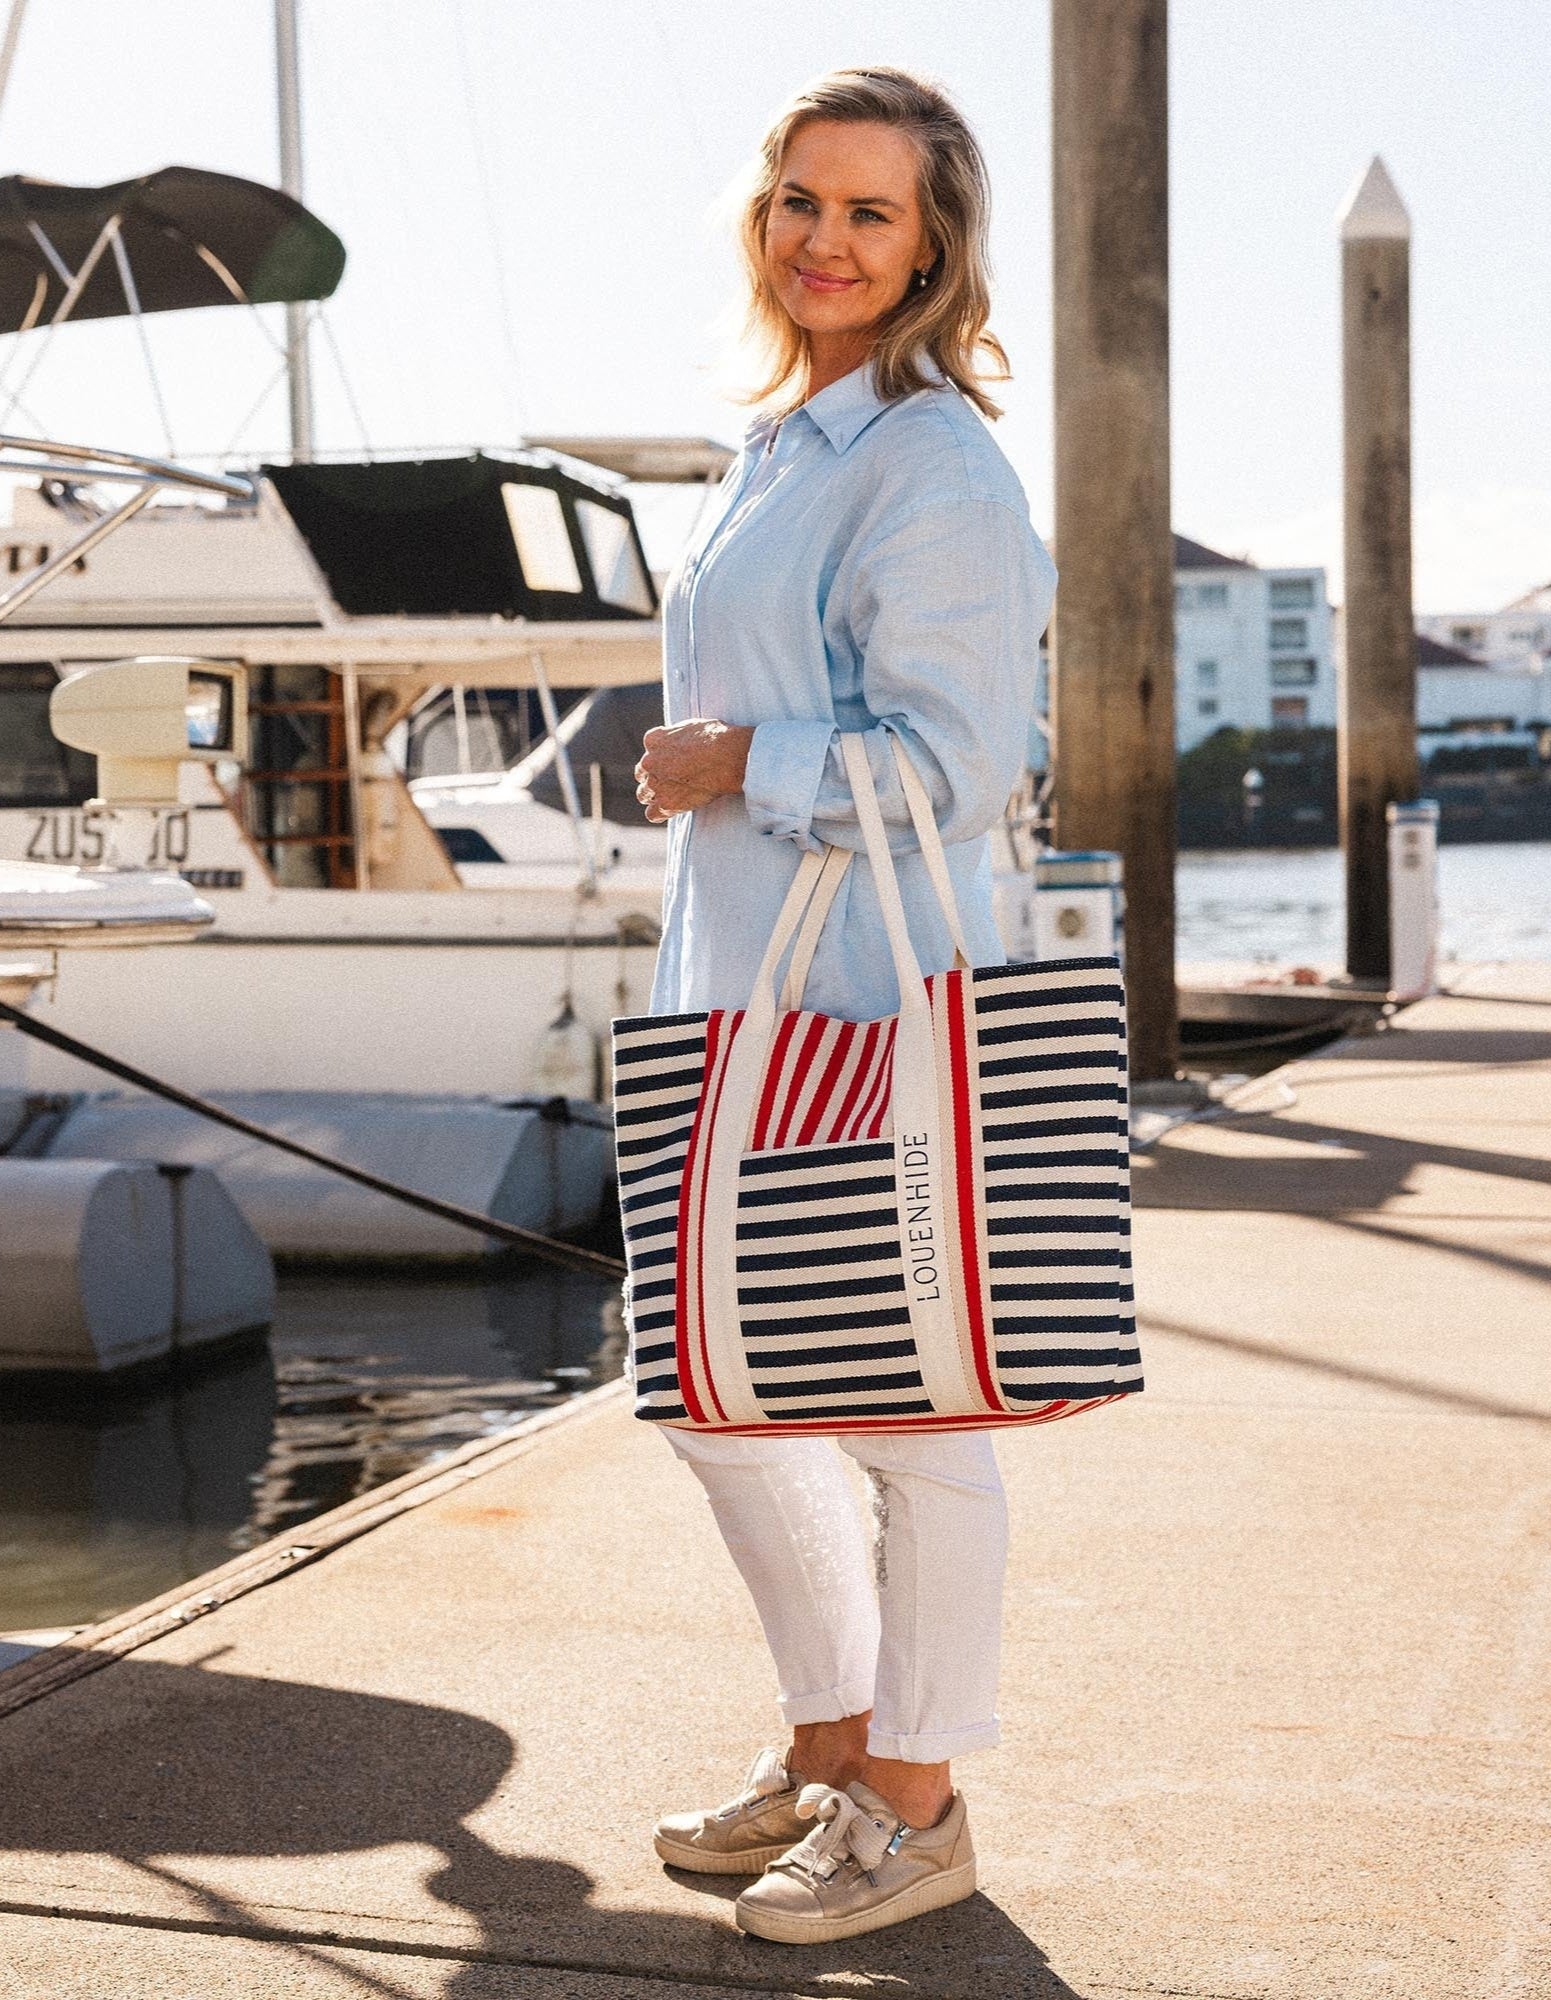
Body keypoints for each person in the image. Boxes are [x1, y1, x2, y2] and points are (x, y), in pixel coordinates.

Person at [631, 66, 1057, 1947]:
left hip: (877, 992)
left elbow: (962, 759)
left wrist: (740, 756)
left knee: (910, 1404)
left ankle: (916, 1792)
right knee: (717, 1387)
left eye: (870, 212)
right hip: (742, 977)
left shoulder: (935, 461)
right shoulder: (789, 442)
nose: (825, 239)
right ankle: (829, 1739)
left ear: (932, 244)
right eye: (804, 200)